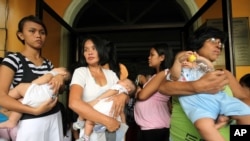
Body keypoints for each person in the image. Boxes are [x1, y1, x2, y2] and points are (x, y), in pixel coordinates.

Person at [154, 26, 250, 141]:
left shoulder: (224, 74)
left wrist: (230, 118)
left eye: (221, 44)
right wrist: (198, 86)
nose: (218, 46)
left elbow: (244, 100)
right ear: (198, 42)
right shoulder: (182, 71)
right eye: (213, 40)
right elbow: (164, 88)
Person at [0, 15, 65, 141]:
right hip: (29, 121)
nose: (38, 35)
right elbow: (1, 97)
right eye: (32, 31)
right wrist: (34, 111)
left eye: (42, 32)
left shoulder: (48, 63)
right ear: (21, 35)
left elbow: (56, 90)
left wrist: (60, 80)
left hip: (54, 115)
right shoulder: (13, 60)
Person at [168, 50, 250, 141]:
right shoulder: (179, 76)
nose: (185, 61)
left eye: (189, 59)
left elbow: (210, 68)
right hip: (199, 105)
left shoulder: (201, 71)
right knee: (204, 126)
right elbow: (174, 76)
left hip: (219, 99)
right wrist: (178, 62)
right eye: (182, 60)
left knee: (246, 113)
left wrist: (199, 59)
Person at [69, 35, 129, 141]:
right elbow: (74, 103)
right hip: (92, 132)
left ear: (101, 50)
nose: (89, 52)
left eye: (94, 48)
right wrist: (107, 121)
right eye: (86, 50)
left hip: (115, 129)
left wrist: (124, 95)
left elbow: (123, 96)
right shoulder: (81, 72)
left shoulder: (111, 74)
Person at [0, 67, 70, 129]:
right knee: (21, 102)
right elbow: (61, 91)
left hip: (39, 95)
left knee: (20, 87)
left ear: (63, 73)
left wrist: (52, 72)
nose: (55, 68)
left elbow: (43, 79)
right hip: (47, 101)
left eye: (59, 68)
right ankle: (12, 121)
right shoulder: (59, 83)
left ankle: (7, 98)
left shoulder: (52, 76)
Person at [134, 43, 173, 141]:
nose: (149, 57)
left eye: (152, 55)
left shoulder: (163, 73)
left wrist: (138, 91)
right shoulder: (157, 75)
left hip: (155, 128)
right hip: (152, 126)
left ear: (162, 57)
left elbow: (143, 96)